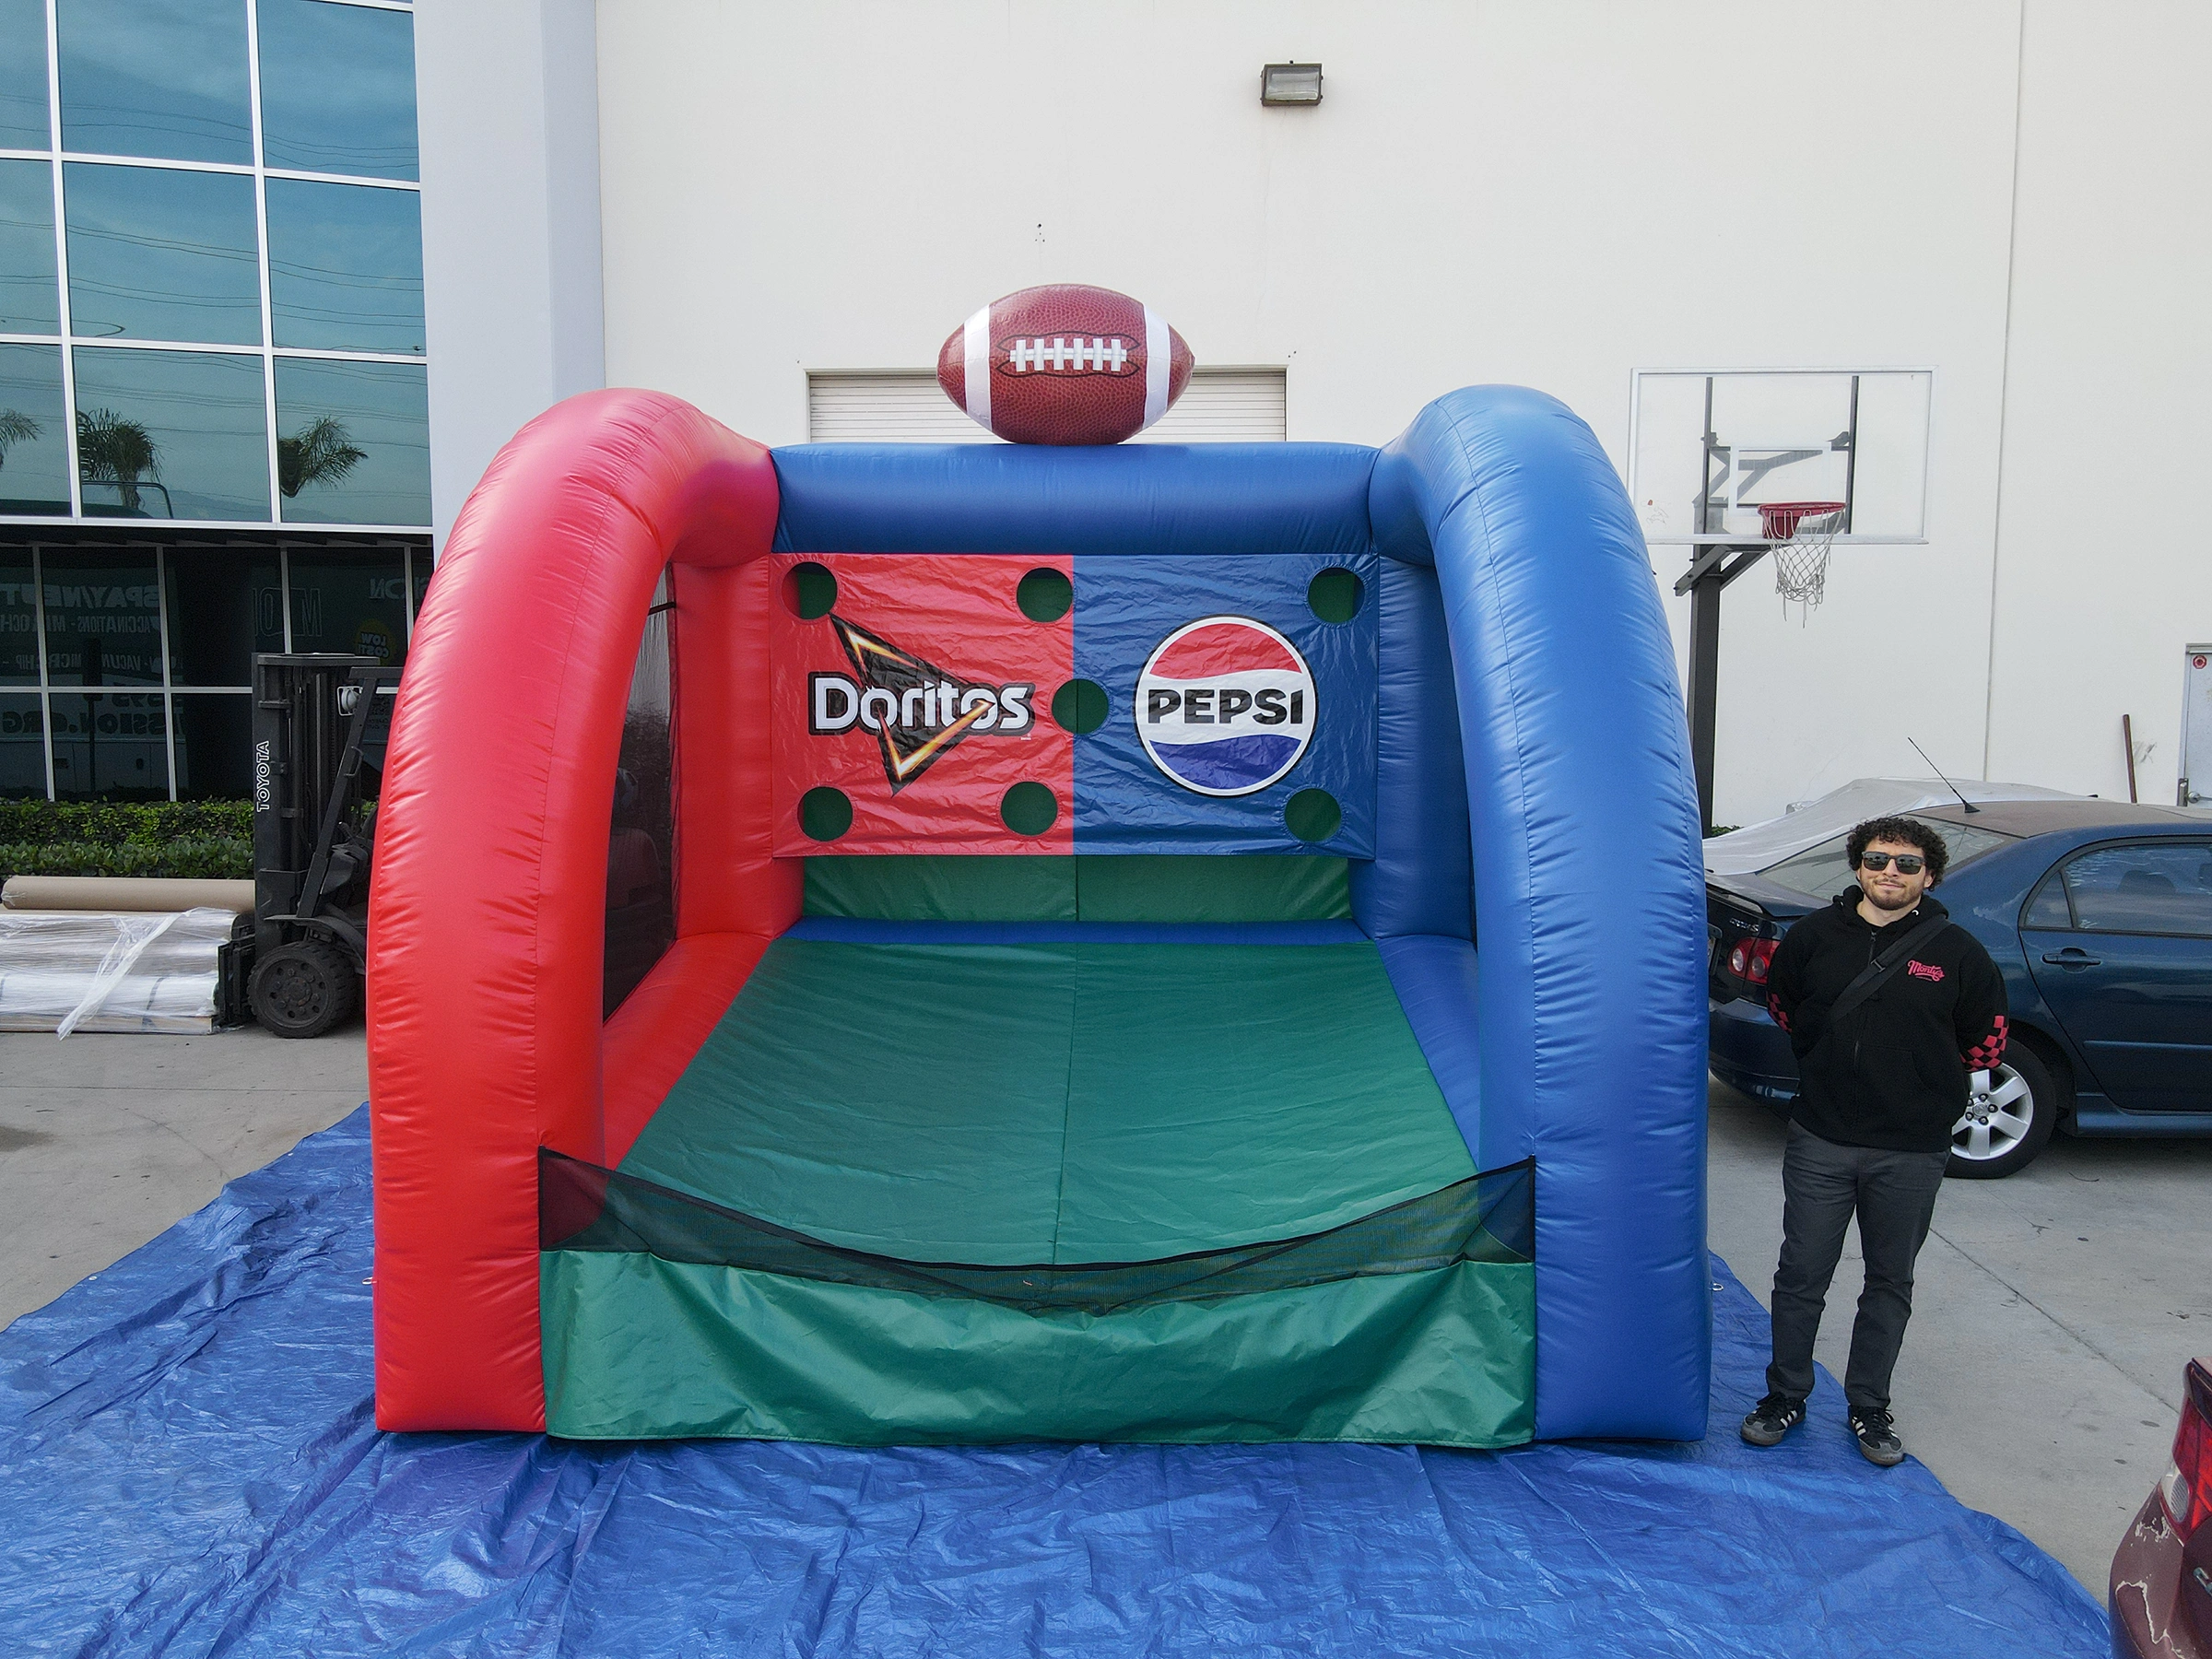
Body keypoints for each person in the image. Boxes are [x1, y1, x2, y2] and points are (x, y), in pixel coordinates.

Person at [1738, 815, 2008, 1466]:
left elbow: (1987, 1042)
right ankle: (1785, 1396)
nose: (1891, 871)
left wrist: (1919, 1082)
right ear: (1858, 865)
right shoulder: (1811, 938)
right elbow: (1784, 1006)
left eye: (1907, 864)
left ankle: (1869, 1407)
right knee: (1801, 1275)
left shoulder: (1959, 953)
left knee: (1889, 1281)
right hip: (1821, 1137)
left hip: (1911, 1149)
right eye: (1878, 859)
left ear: (1930, 875)